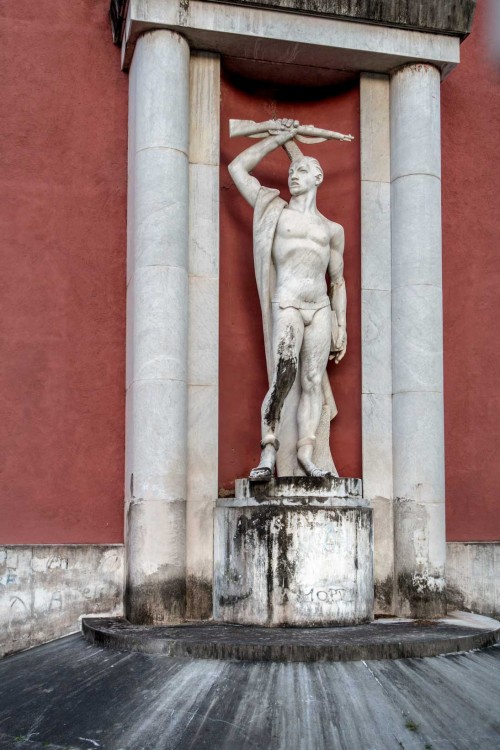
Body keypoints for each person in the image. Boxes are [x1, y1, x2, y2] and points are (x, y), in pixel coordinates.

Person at [229, 118, 347, 480]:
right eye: (292, 170)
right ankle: (268, 450)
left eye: (302, 170)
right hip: (289, 302)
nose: (294, 175)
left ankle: (307, 454)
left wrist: (341, 324)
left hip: (320, 307)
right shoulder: (274, 211)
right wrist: (278, 138)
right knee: (284, 374)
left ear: (317, 178)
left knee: (312, 381)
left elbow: (337, 281)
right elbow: (237, 168)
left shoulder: (332, 229)